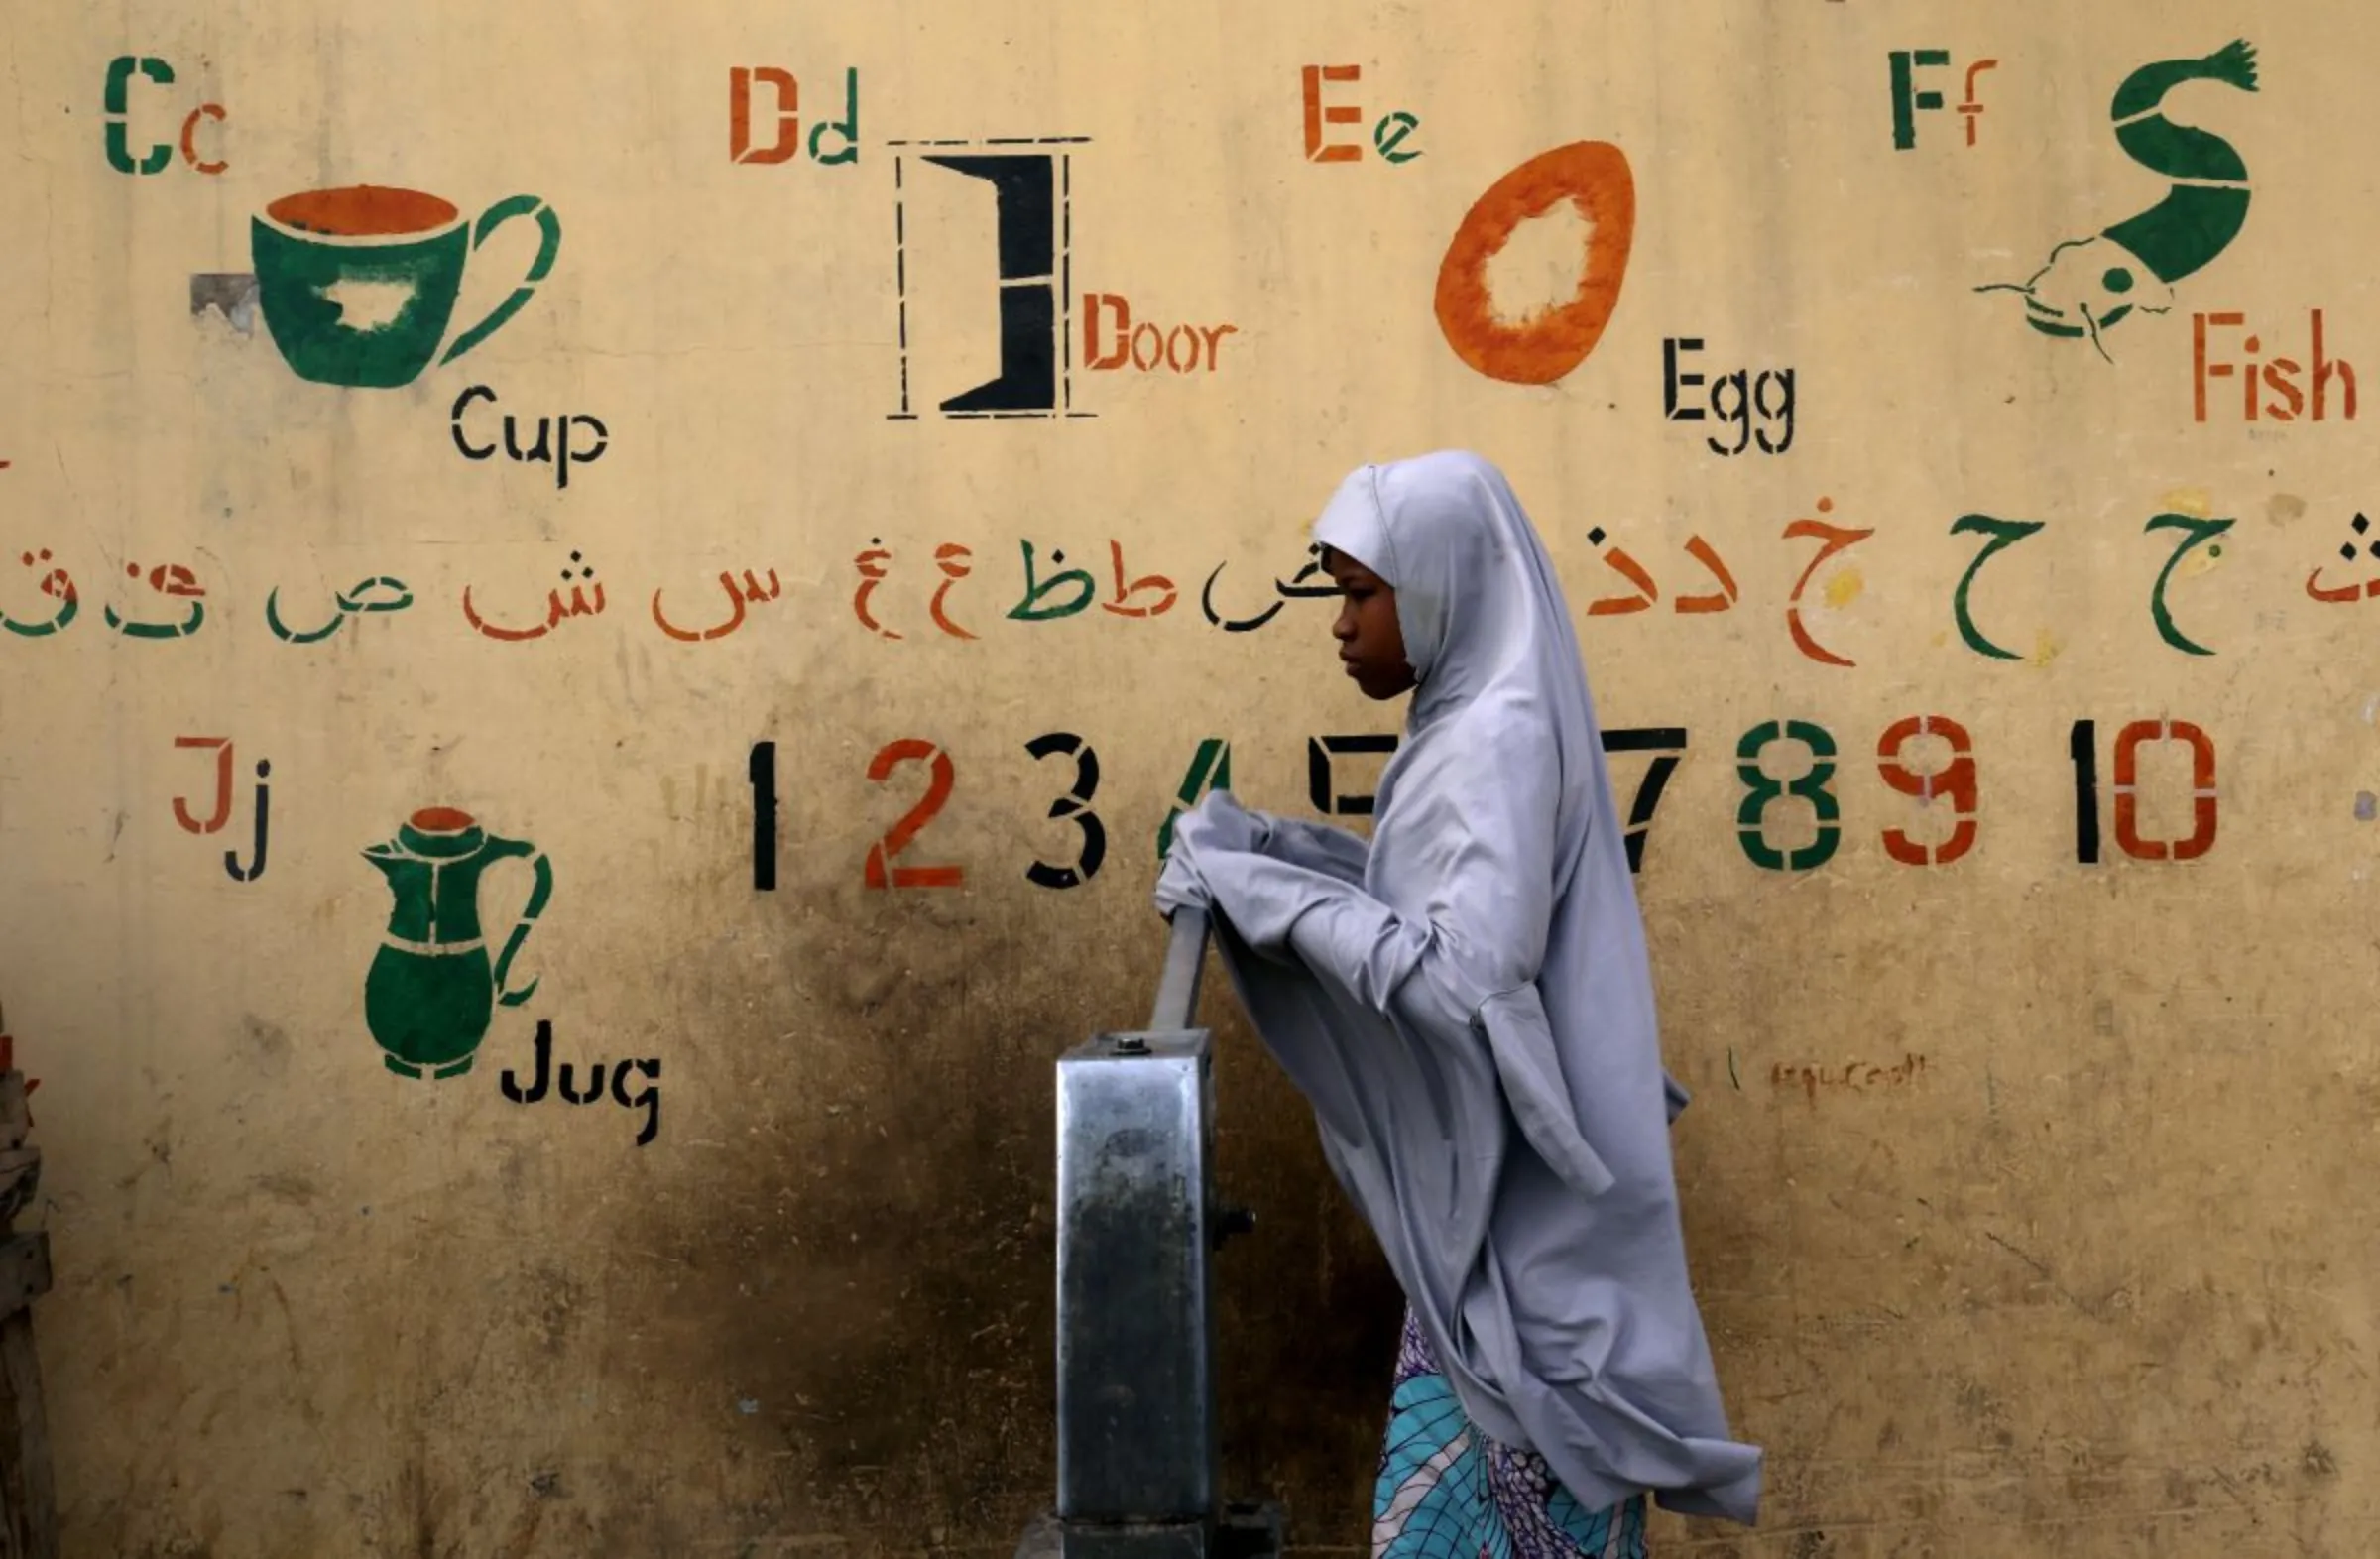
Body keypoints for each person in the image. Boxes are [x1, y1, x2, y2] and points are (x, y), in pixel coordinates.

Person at [1154, 451, 1760, 1557]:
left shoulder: (1495, 738)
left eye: (1358, 594)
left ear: (1438, 584)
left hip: (1519, 1222)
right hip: (1497, 1209)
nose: (1340, 625)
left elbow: (1466, 973)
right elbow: (1422, 902)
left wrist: (1267, 894)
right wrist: (1284, 856)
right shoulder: (1470, 716)